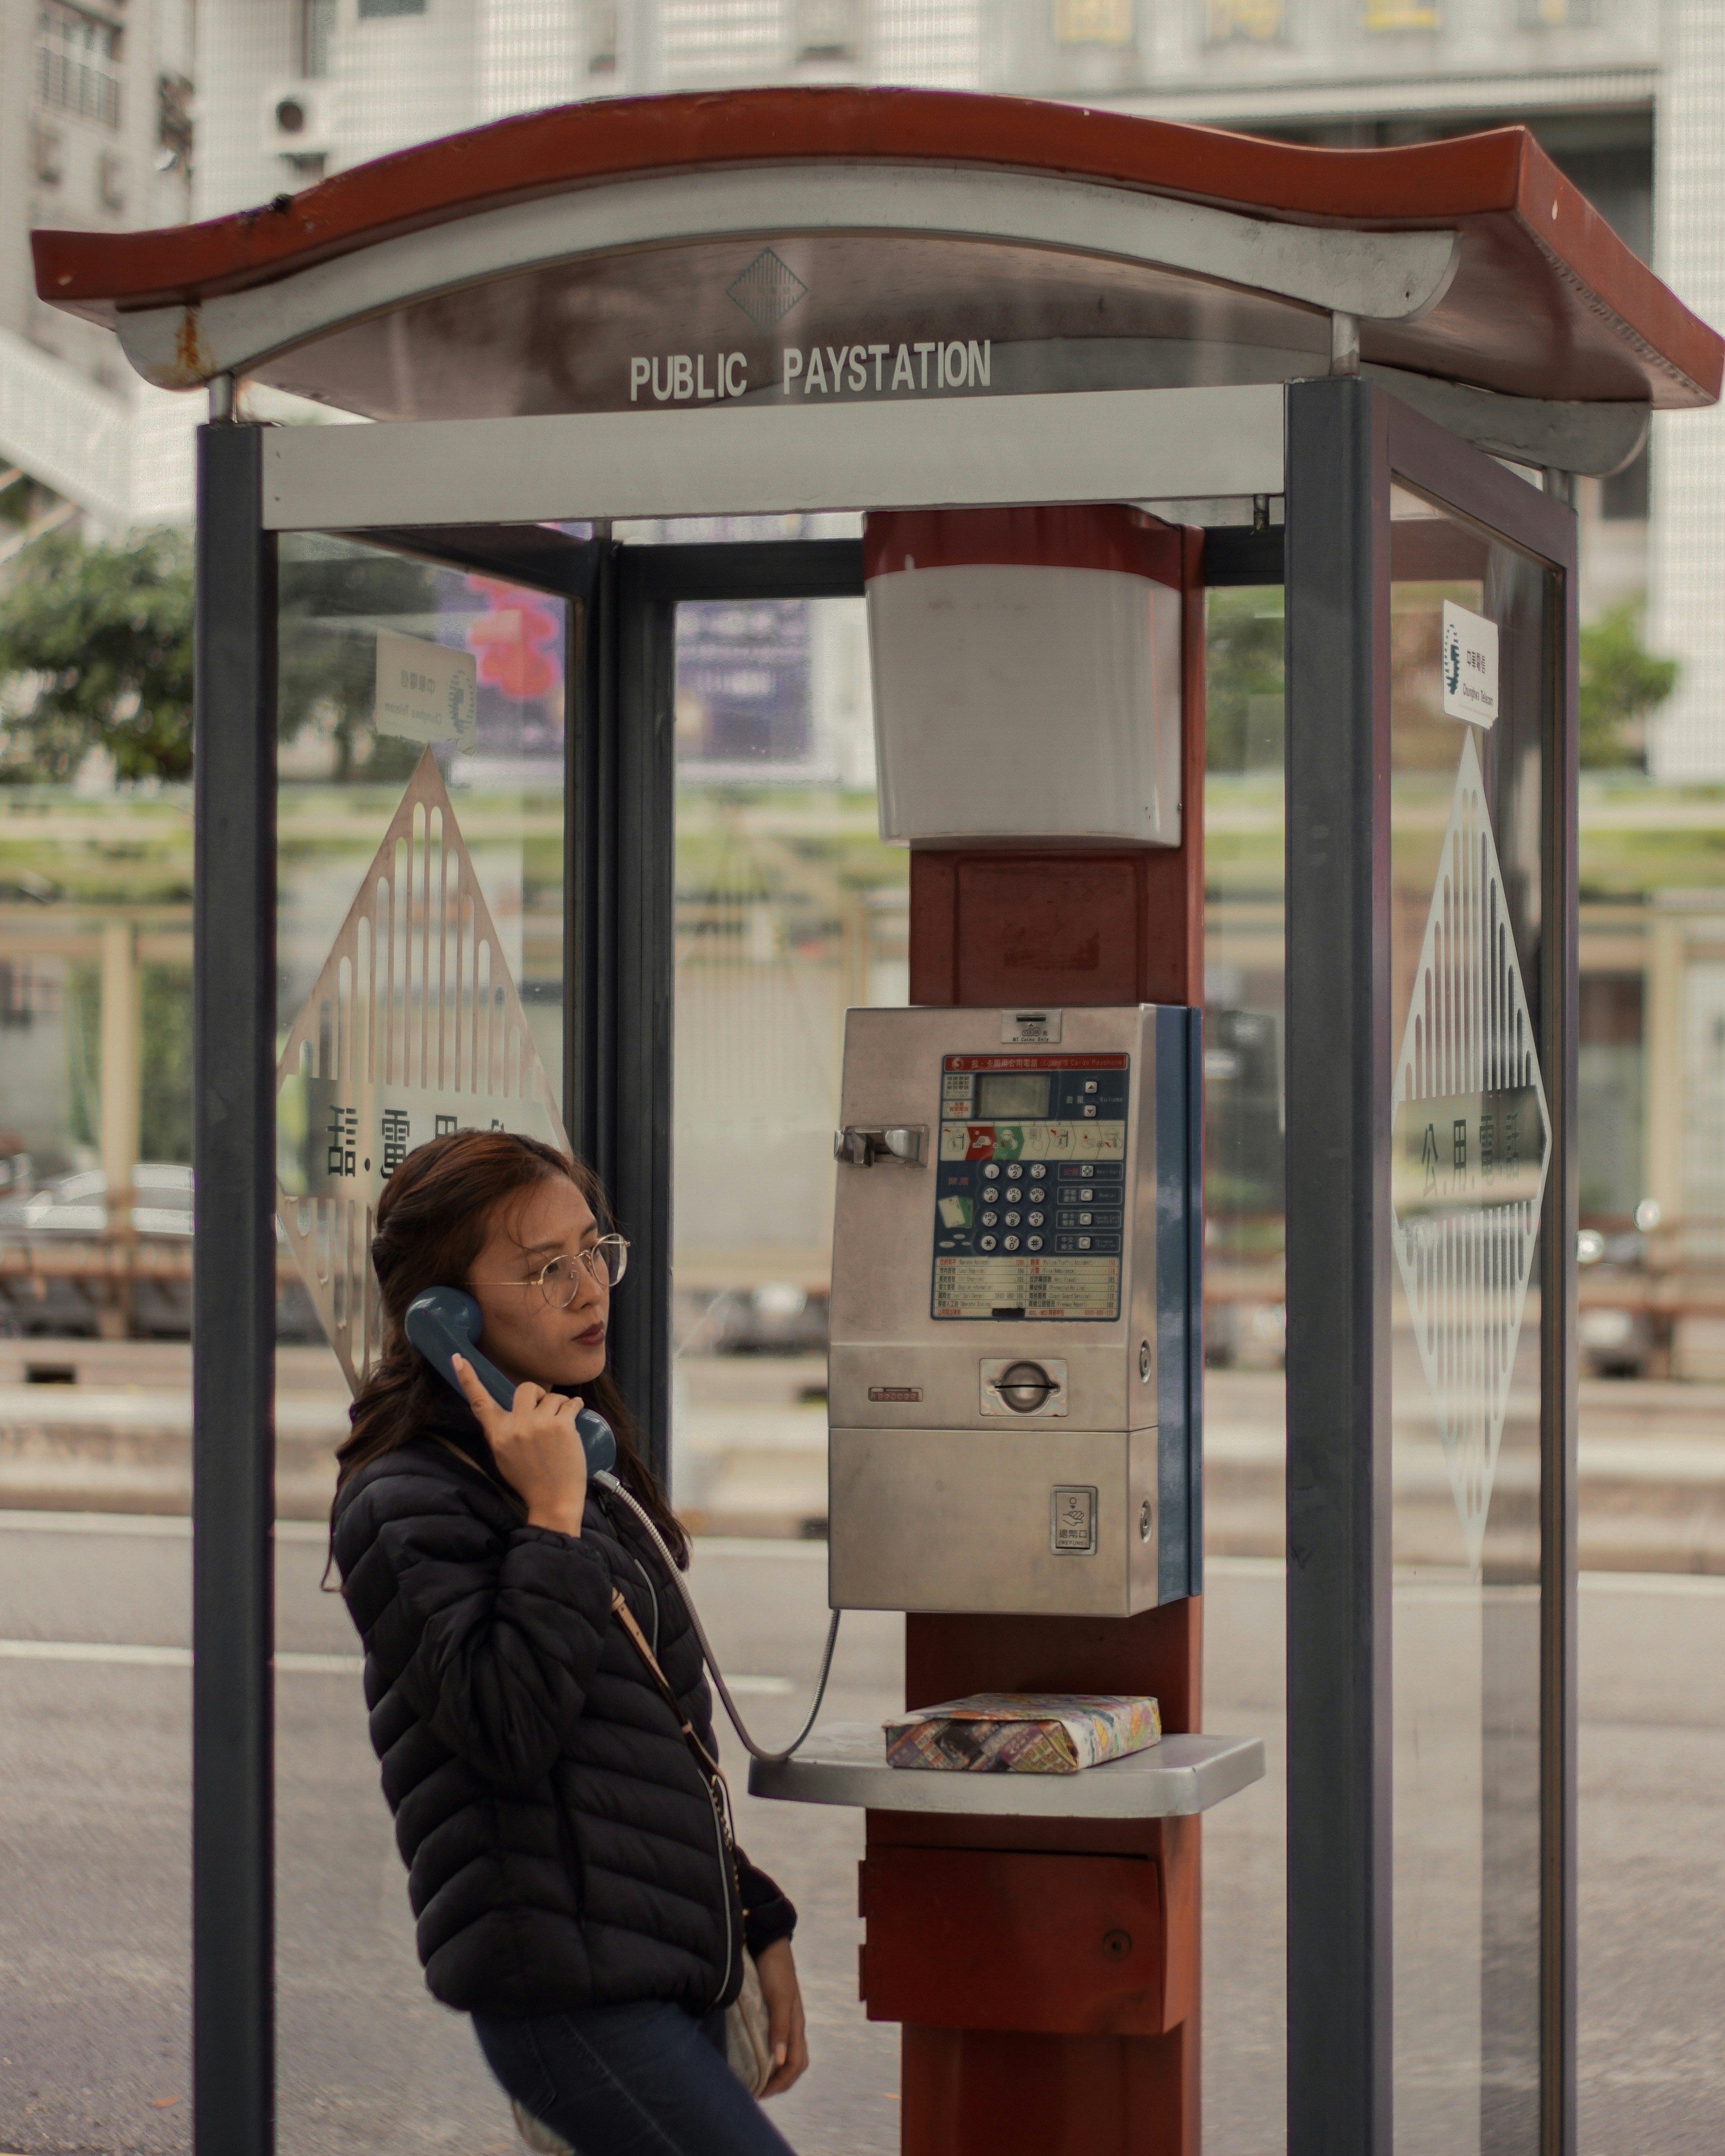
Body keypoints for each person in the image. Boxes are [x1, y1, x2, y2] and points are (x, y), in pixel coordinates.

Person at [330, 1128, 807, 2155]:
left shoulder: (570, 1465)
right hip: (566, 1996)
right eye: (546, 1270)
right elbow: (508, 1725)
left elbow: (651, 1735)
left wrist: (754, 1921)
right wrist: (549, 1522)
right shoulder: (405, 1500)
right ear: (442, 1314)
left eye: (595, 1250)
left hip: (653, 1959)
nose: (589, 1290)